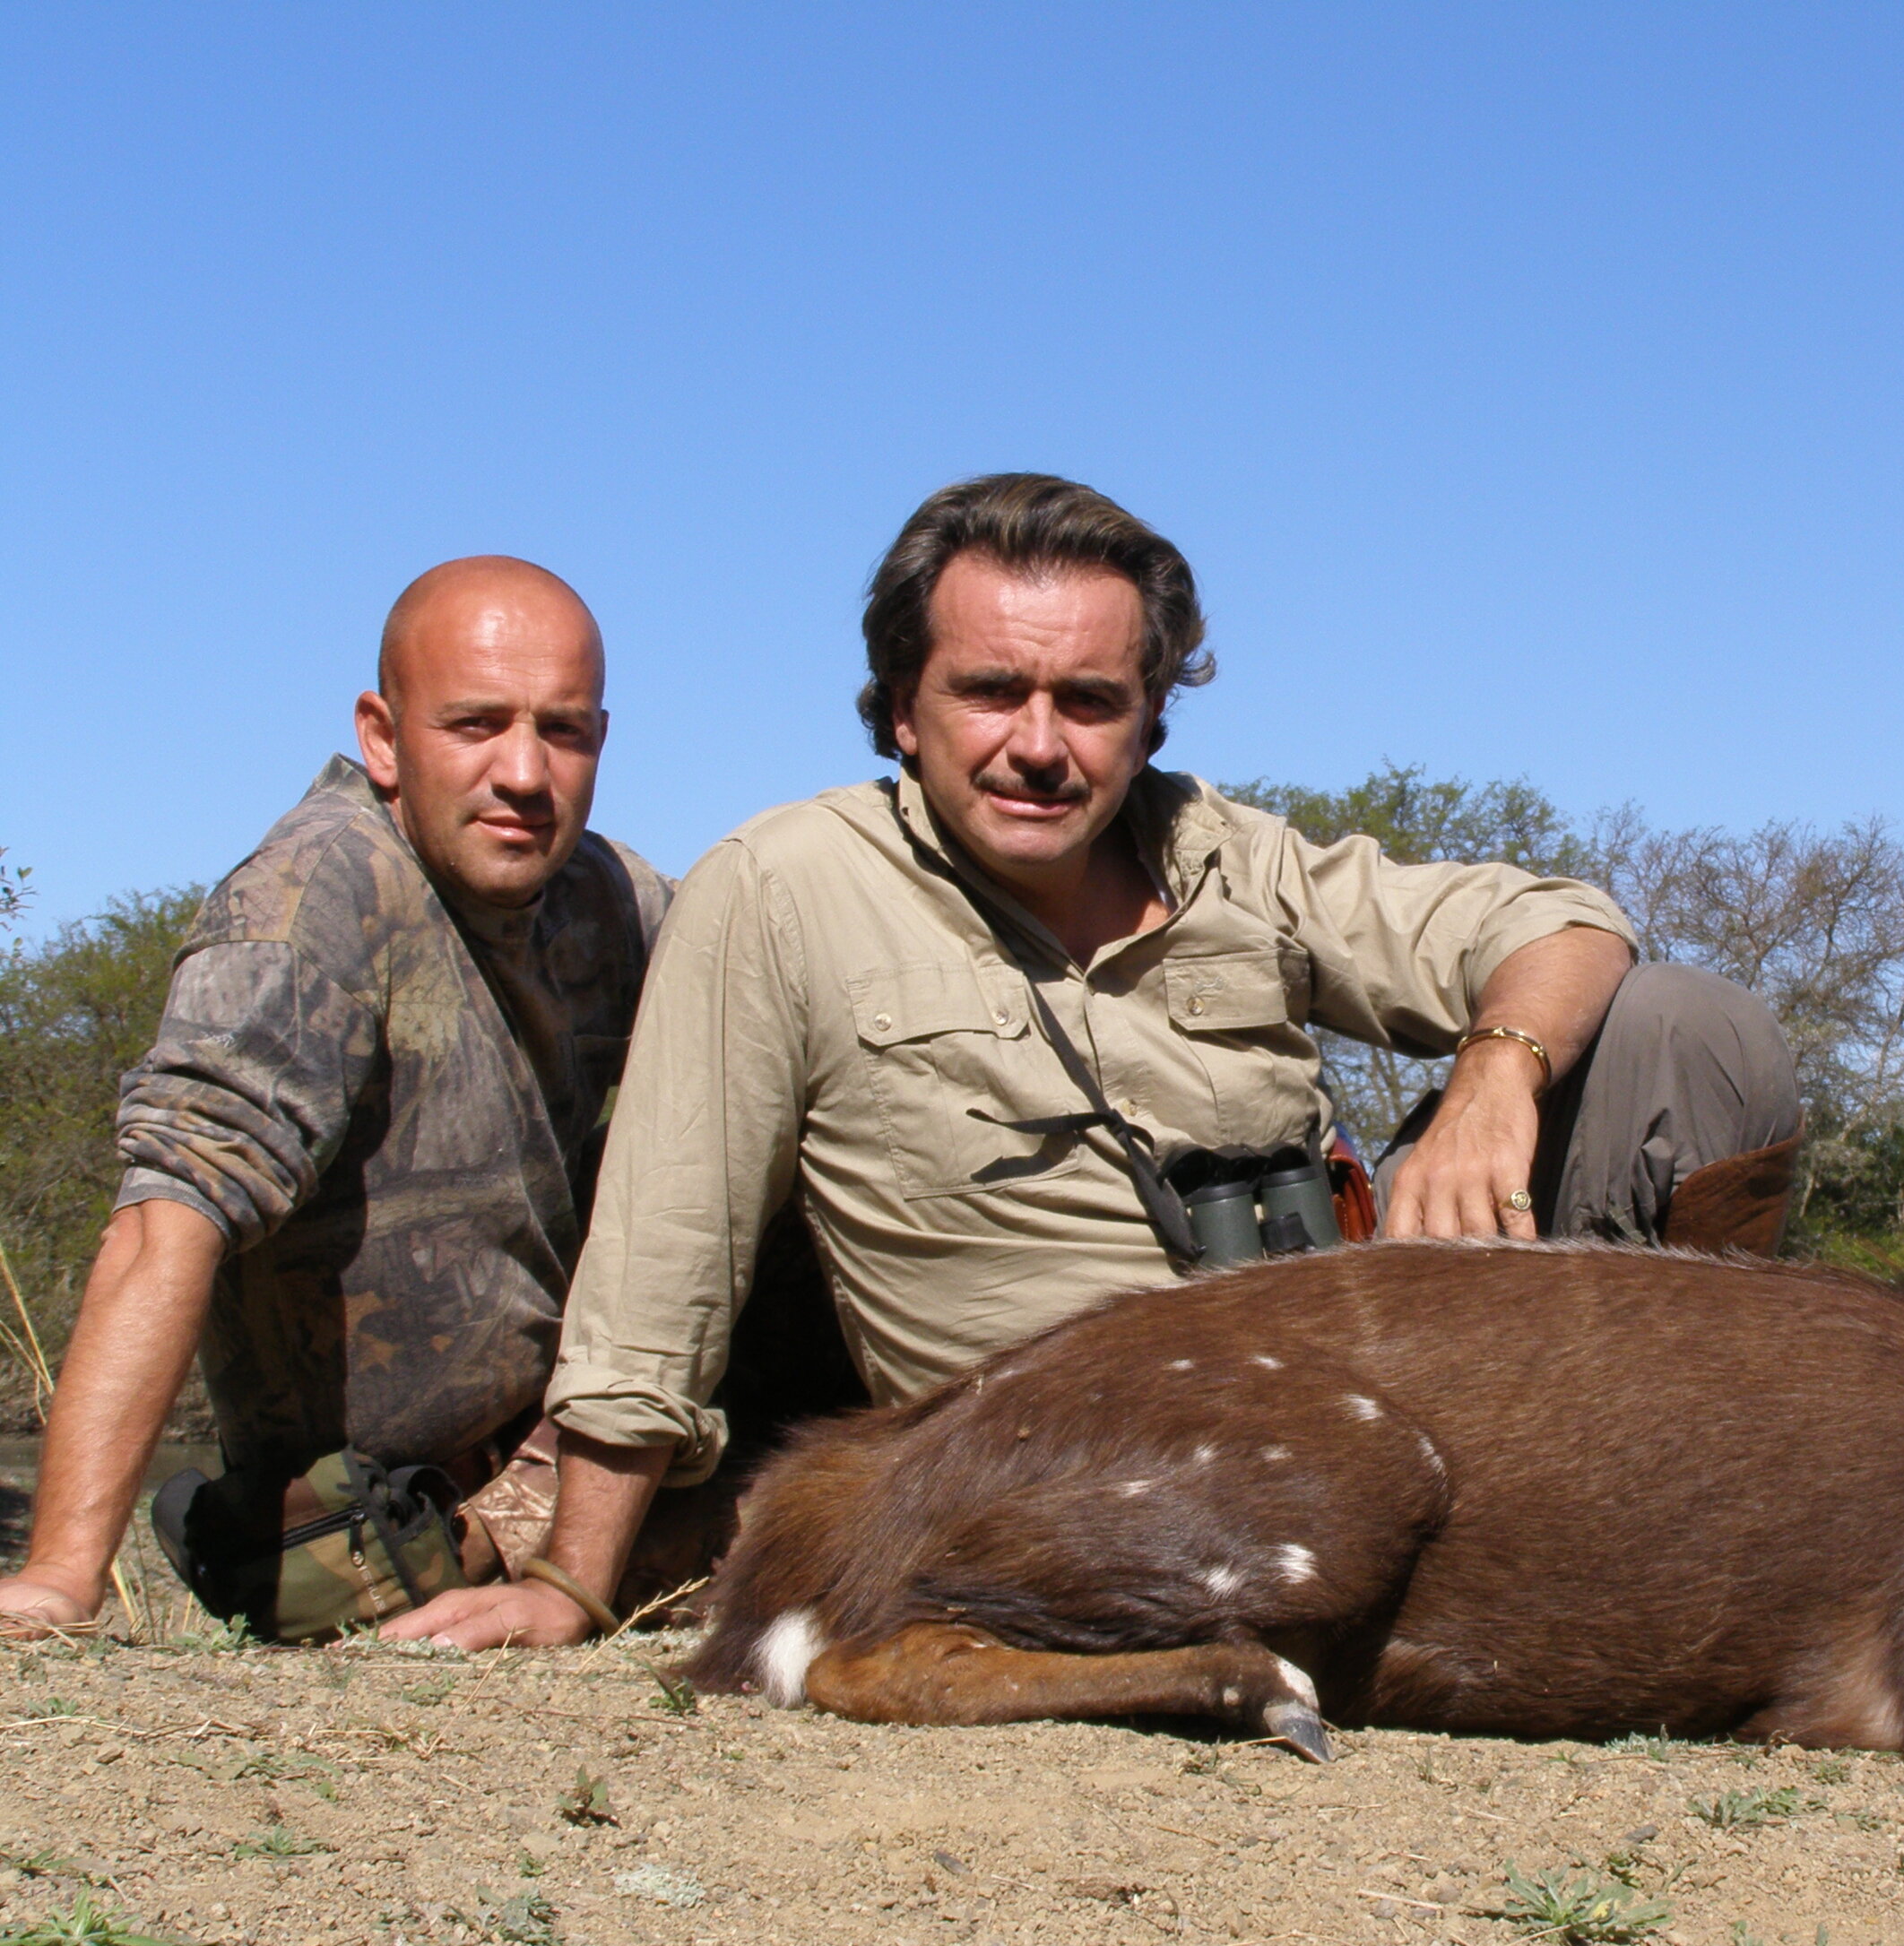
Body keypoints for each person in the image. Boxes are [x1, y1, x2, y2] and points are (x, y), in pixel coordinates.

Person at [389, 475, 1799, 1652]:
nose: (1041, 747)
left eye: (1091, 701)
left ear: (1153, 720)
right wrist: (572, 1584)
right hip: (1100, 1483)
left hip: (1398, 1390)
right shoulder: (781, 887)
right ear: (899, 709)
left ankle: (1698, 1533)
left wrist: (1497, 1072)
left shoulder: (1227, 854)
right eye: (992, 692)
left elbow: (1562, 921)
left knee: (1687, 1028)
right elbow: (664, 1258)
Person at [0, 558, 677, 1634]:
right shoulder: (313, 898)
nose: (523, 772)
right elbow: (168, 1216)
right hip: (379, 1519)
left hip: (564, 1436)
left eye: (565, 731)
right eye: (474, 725)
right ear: (381, 736)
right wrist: (62, 1573)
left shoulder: (614, 896)